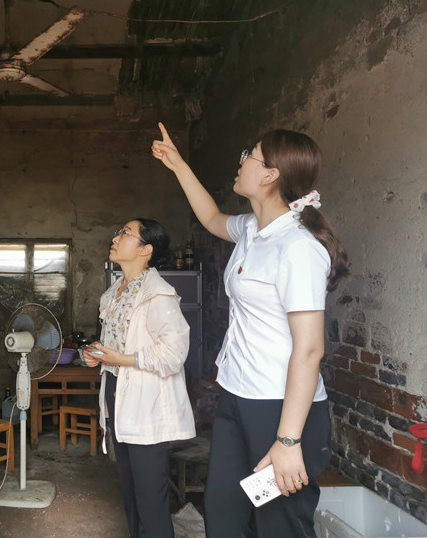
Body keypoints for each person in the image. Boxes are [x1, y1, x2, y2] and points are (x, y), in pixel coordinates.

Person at [151, 122, 349, 538]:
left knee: (279, 524)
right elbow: (211, 218)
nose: (240, 162)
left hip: (280, 408)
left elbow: (310, 349)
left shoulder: (298, 247)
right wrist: (179, 165)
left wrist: (288, 441)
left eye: (249, 156)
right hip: (237, 397)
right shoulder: (251, 230)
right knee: (222, 515)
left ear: (270, 174)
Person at [82, 218, 195, 538]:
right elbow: (119, 343)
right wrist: (97, 353)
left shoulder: (158, 294)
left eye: (125, 233)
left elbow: (174, 354)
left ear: (146, 250)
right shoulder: (114, 293)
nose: (116, 237)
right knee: (131, 493)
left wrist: (123, 360)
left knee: (149, 497)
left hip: (147, 401)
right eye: (119, 231)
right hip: (117, 392)